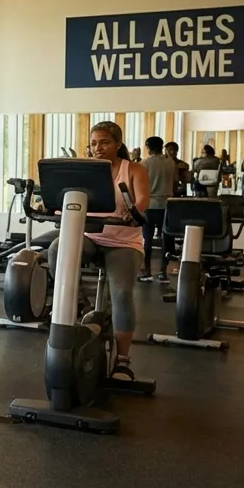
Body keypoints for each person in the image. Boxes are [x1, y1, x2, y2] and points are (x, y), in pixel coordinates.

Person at [47, 121, 148, 376]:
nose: (97, 148)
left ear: (118, 144)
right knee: (57, 249)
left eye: (104, 142)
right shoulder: (87, 169)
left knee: (122, 294)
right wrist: (48, 207)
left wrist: (135, 213)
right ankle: (79, 304)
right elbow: (70, 196)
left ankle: (123, 359)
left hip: (123, 241)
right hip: (91, 235)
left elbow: (142, 200)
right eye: (93, 143)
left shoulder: (134, 169)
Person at [138, 136, 176, 284]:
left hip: (150, 204)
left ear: (148, 148)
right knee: (165, 239)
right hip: (166, 205)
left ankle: (146, 271)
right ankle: (163, 272)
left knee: (147, 239)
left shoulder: (144, 164)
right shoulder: (170, 162)